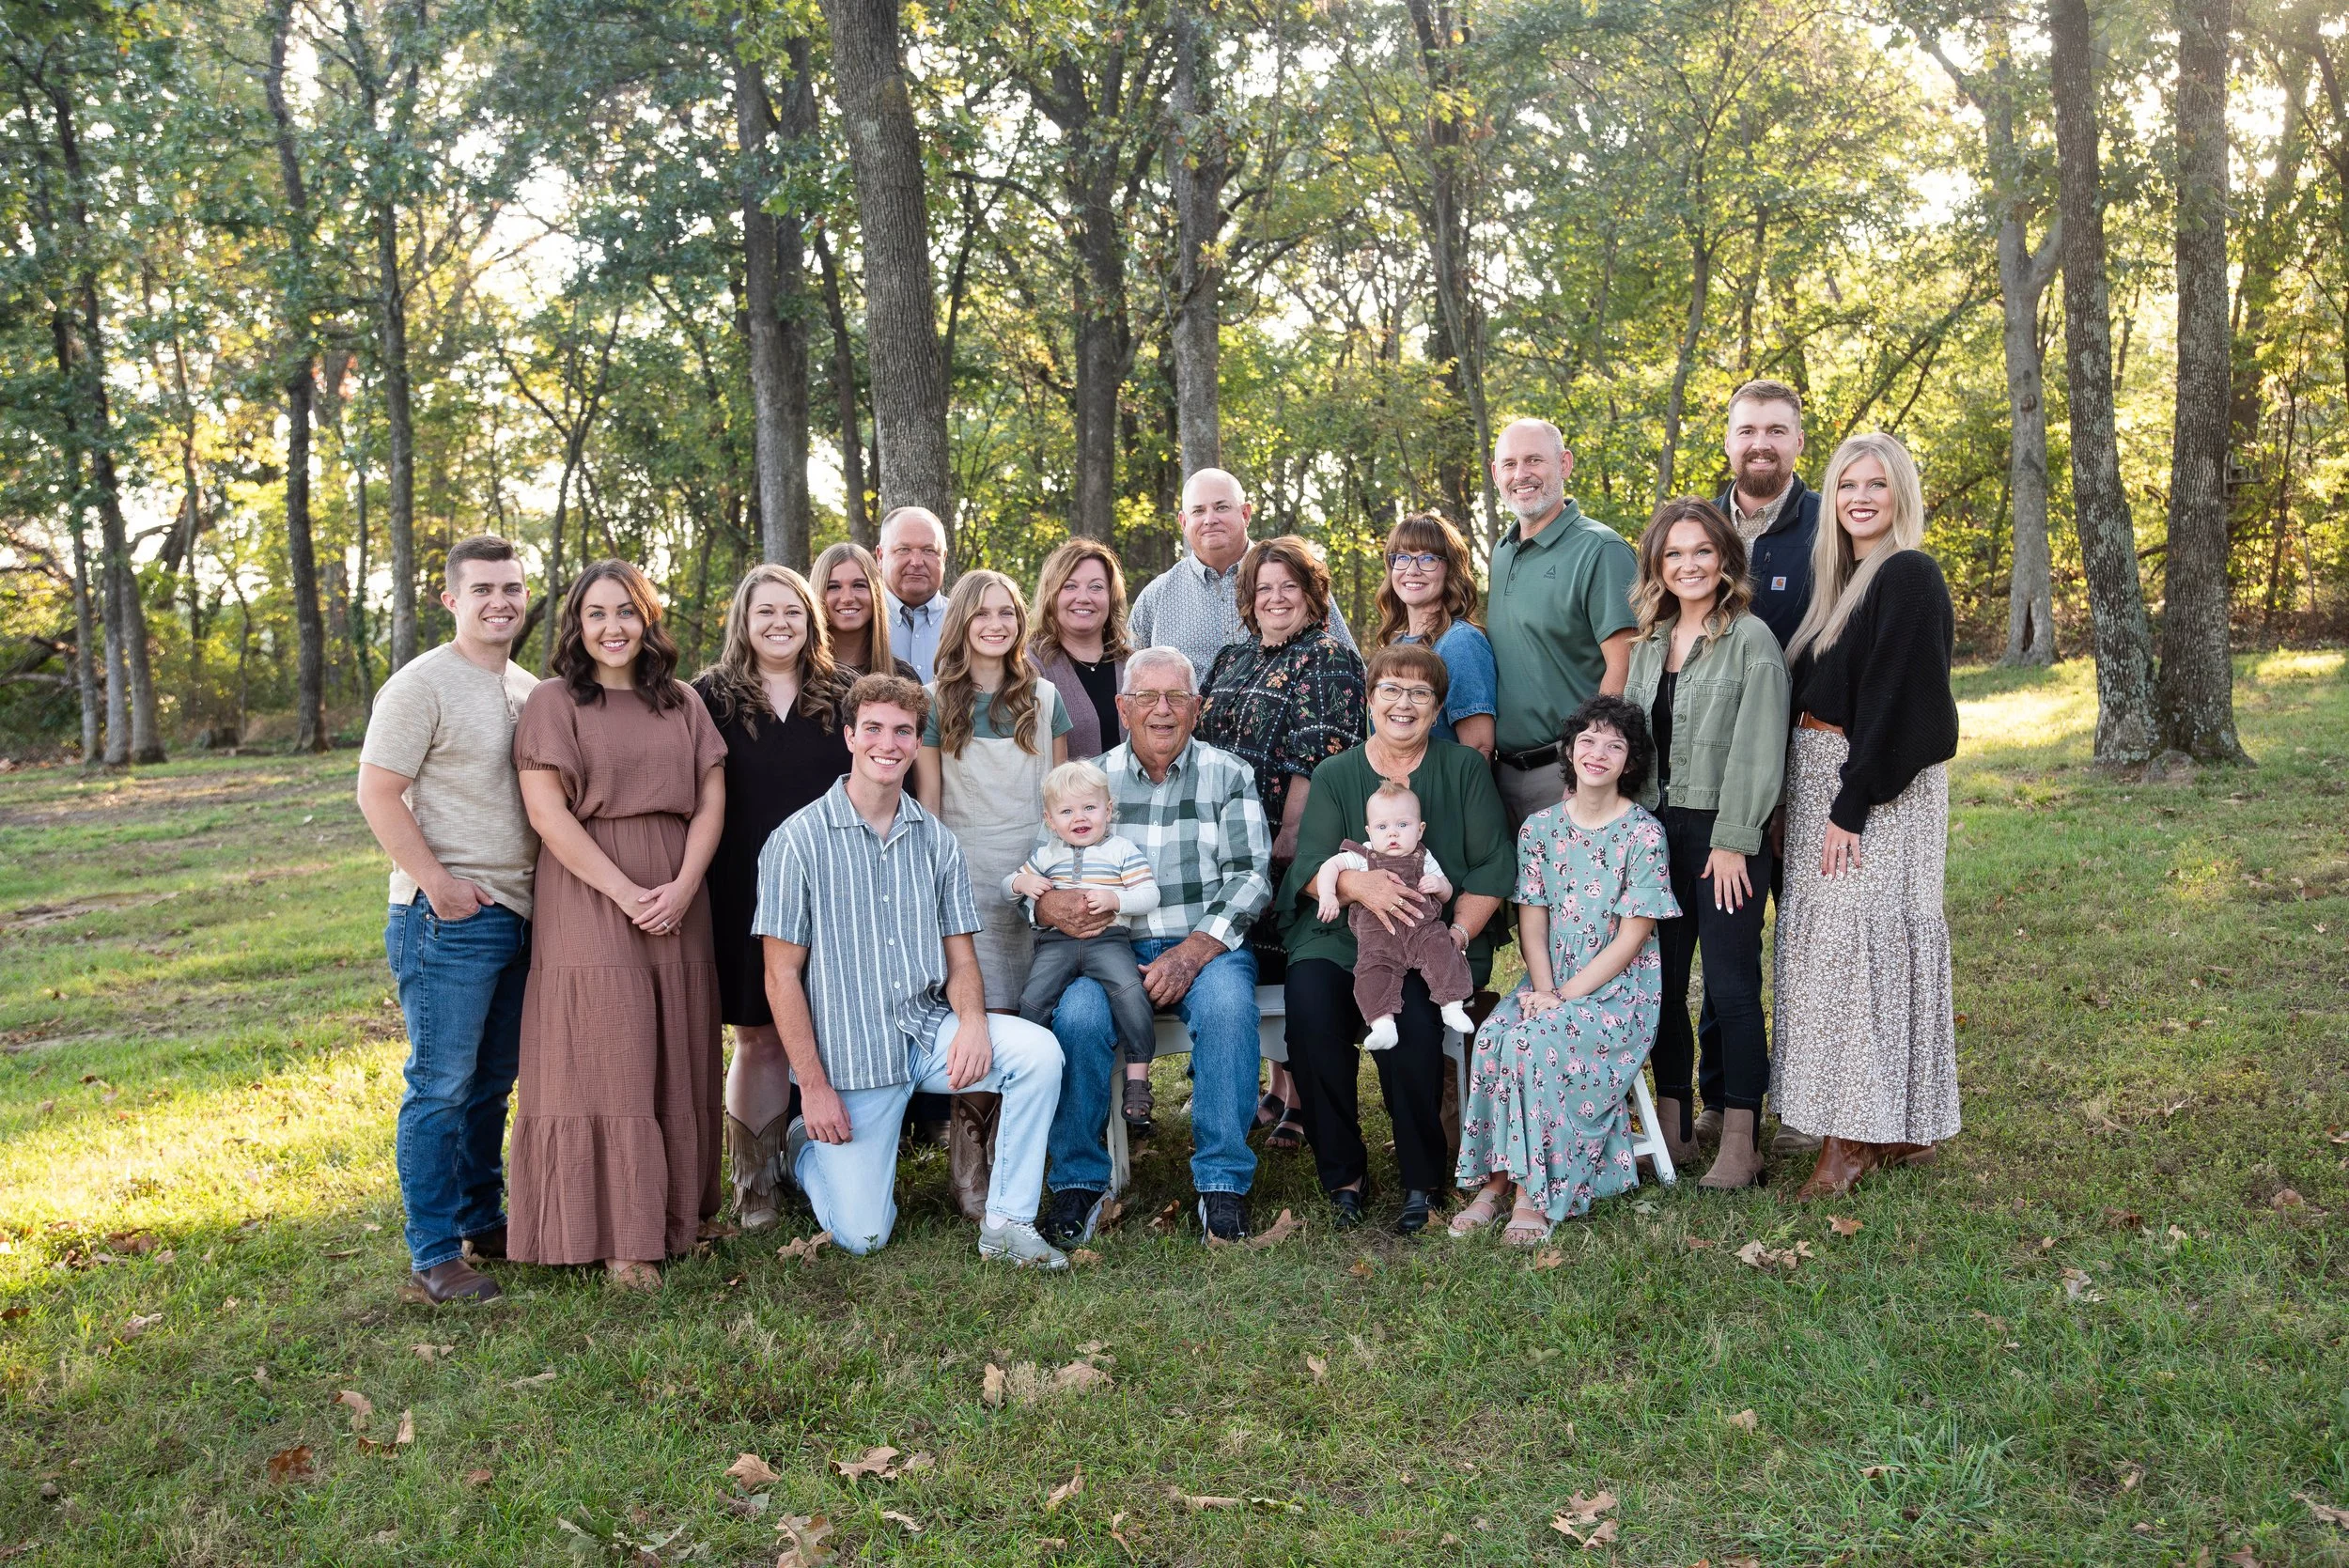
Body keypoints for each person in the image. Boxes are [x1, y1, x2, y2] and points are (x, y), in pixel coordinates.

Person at [754, 674, 1068, 1265]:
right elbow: (780, 977)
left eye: (903, 731)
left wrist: (972, 1022)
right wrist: (814, 1089)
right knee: (862, 1237)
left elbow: (961, 956)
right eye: (873, 728)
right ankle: (801, 1147)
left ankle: (1007, 1223)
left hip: (927, 1035)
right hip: (852, 1060)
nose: (889, 743)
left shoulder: (937, 842)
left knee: (1037, 1054)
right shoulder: (796, 842)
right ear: (849, 736)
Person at [510, 560, 727, 1291]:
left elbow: (710, 800)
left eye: (627, 612)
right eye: (597, 613)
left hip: (677, 888)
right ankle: (619, 1240)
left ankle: (679, 1218)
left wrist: (684, 883)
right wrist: (626, 892)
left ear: (648, 618)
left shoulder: (684, 701)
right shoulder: (550, 703)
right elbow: (546, 814)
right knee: (610, 1050)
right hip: (590, 890)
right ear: (576, 624)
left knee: (676, 1043)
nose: (613, 627)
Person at [1771, 432, 1960, 1201]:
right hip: (1826, 783)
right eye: (1847, 484)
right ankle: (1895, 1124)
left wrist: (1850, 801)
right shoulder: (1840, 586)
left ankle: (1849, 1143)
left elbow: (1907, 708)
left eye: (1876, 484)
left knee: (1861, 946)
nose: (1859, 497)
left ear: (1900, 495)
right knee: (1840, 947)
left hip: (1871, 790)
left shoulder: (1908, 573)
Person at [1037, 646, 1274, 1245]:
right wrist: (1043, 903)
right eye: (1147, 697)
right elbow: (1047, 867)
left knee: (1226, 1008)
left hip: (1207, 942)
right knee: (1079, 1015)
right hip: (1110, 946)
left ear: (1198, 708)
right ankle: (1079, 1180)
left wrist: (1195, 949)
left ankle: (1222, 1182)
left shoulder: (1229, 773)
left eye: (1176, 698)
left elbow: (1251, 874)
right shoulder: (1094, 781)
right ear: (1123, 707)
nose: (1161, 711)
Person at [355, 535, 538, 1305]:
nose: (500, 601)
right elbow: (376, 792)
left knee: (491, 1085)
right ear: (451, 598)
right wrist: (437, 884)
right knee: (439, 1084)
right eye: (484, 588)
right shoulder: (421, 684)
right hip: (449, 920)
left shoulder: (528, 688)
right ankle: (433, 1251)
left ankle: (481, 1218)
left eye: (513, 588)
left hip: (522, 914)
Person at [1281, 644, 1512, 1235]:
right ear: (1370, 697)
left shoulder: (1462, 769)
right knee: (1310, 1008)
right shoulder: (1337, 774)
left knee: (1411, 1018)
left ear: (1437, 708)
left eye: (1420, 693)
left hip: (1430, 937)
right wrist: (1361, 886)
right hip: (1342, 936)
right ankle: (1343, 1175)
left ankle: (1421, 1179)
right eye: (1391, 689)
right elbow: (1309, 866)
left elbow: (1491, 866)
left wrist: (1457, 933)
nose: (1403, 704)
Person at [1450, 695, 1677, 1244]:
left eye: (1615, 745)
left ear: (1631, 761)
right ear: (1570, 751)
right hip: (1550, 982)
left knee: (1535, 1041)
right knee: (1496, 1034)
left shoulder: (1644, 834)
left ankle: (1536, 1192)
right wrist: (1546, 988)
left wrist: (1566, 996)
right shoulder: (1539, 829)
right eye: (1588, 741)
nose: (1598, 753)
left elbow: (1631, 939)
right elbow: (1533, 923)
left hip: (1619, 992)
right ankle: (1496, 1181)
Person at [1622, 498, 1788, 1189]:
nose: (1688, 565)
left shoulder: (1750, 640)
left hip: (1726, 836)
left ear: (1725, 559)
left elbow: (1758, 747)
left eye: (1701, 551)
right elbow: (1631, 743)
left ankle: (1742, 1140)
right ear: (1657, 566)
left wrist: (1734, 839)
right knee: (1656, 986)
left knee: (1730, 986)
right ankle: (1674, 1126)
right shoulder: (1650, 643)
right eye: (1674, 554)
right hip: (1658, 836)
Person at [692, 564, 852, 1231]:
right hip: (741, 886)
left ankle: (827, 1164)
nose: (780, 623)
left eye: (792, 611)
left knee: (835, 1029)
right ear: (743, 621)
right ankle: (754, 1182)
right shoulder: (708, 698)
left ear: (810, 618)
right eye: (766, 613)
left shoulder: (843, 693)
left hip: (833, 887)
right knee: (759, 1035)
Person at [1197, 536, 1366, 1150]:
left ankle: (1297, 1097)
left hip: (1285, 846)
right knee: (1249, 962)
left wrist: (1289, 837)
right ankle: (1271, 1085)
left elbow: (1318, 755)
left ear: (1311, 593)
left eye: (1288, 587)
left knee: (1290, 958)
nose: (1275, 598)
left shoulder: (1329, 658)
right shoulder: (1231, 658)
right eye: (1263, 587)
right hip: (1227, 845)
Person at [914, 568, 1073, 1218]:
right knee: (983, 1011)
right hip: (966, 869)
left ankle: (1026, 1147)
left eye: (1007, 612)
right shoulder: (932, 701)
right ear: (961, 623)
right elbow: (929, 804)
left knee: (1035, 1011)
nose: (996, 623)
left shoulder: (1043, 695)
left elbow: (1061, 795)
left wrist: (1055, 874)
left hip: (1034, 868)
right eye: (982, 613)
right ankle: (972, 1150)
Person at [1485, 418, 1641, 832]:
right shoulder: (1502, 553)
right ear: (1495, 472)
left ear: (1565, 464)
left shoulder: (1600, 549)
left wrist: (1587, 768)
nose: (1522, 475)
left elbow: (1623, 667)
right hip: (1504, 778)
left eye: (1535, 460)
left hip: (1567, 775)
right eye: (1510, 463)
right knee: (1522, 901)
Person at [1009, 760, 1159, 1090]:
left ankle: (1138, 1077)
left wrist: (1115, 900)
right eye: (1066, 811)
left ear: (1108, 810)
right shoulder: (1049, 854)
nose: (1079, 818)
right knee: (1034, 999)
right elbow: (1009, 883)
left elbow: (1149, 894)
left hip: (1108, 941)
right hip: (1056, 944)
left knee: (1131, 992)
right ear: (1049, 820)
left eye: (1089, 807)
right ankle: (1025, 1073)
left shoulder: (1120, 850)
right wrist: (1022, 884)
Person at [1128, 468, 1356, 684]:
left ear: (1245, 514)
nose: (1210, 519)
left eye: (1221, 507)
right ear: (1183, 522)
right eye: (1198, 511)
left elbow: (1351, 668)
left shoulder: (1298, 579)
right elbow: (1129, 688)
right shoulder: (1155, 598)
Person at [1310, 781, 1480, 1047]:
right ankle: (1382, 1024)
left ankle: (1452, 1006)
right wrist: (1329, 894)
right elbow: (1331, 866)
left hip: (1422, 930)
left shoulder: (1424, 858)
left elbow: (1446, 892)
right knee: (1371, 971)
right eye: (1382, 827)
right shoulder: (1364, 856)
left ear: (1420, 829)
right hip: (1380, 936)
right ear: (1369, 831)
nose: (1393, 834)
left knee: (1443, 952)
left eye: (1403, 825)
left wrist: (1439, 886)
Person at [1374, 511, 1497, 758]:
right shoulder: (1396, 644)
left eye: (1427, 559)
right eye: (1402, 558)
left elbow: (1478, 748)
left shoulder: (1459, 642)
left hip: (1445, 794)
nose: (1412, 570)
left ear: (1450, 569)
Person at [1715, 378, 1820, 649]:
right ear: (1728, 442)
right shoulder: (1697, 525)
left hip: (1800, 690)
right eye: (1747, 431)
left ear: (1799, 442)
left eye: (1776, 431)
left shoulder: (1831, 524)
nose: (1760, 445)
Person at [1029, 538, 1132, 759]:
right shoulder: (1031, 666)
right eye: (1070, 586)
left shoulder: (1133, 665)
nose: (1083, 598)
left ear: (1110, 597)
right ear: (1052, 595)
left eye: (1096, 587)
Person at [815, 540, 922, 682]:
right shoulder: (800, 675)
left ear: (876, 593)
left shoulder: (902, 676)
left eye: (859, 585)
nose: (847, 598)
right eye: (833, 587)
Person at [879, 506, 950, 681]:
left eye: (929, 550)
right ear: (880, 557)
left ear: (944, 558)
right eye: (903, 549)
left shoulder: (967, 621)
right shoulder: (862, 622)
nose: (917, 562)